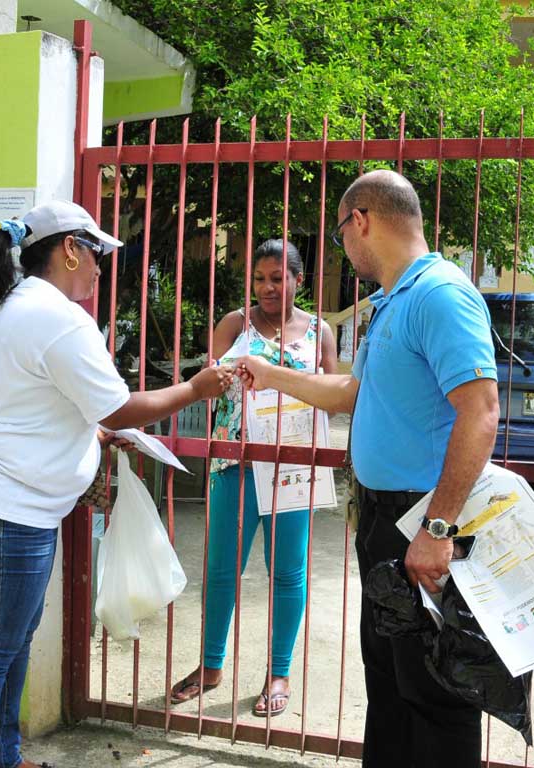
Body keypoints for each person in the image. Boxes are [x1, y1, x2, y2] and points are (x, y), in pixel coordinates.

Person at [0, 199, 232, 768]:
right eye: (96, 254)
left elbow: (40, 404)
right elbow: (119, 408)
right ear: (70, 249)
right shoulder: (55, 316)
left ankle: (3, 755)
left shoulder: (25, 304)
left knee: (7, 646)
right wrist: (196, 389)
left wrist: (86, 435)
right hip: (2, 510)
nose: (101, 269)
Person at [236, 170, 500, 766]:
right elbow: (355, 393)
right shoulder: (394, 300)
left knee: (434, 692)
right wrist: (271, 373)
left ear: (361, 221)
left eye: (340, 234)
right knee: (389, 679)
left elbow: (481, 413)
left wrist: (438, 530)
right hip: (385, 522)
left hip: (422, 523)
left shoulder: (440, 295)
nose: (344, 248)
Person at [169, 239, 336, 717]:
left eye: (277, 278)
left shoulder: (318, 331)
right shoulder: (234, 325)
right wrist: (220, 378)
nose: (267, 287)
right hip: (234, 465)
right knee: (222, 570)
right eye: (259, 278)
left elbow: (333, 392)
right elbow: (208, 387)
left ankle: (278, 672)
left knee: (288, 573)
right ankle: (210, 665)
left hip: (291, 470)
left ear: (298, 281)